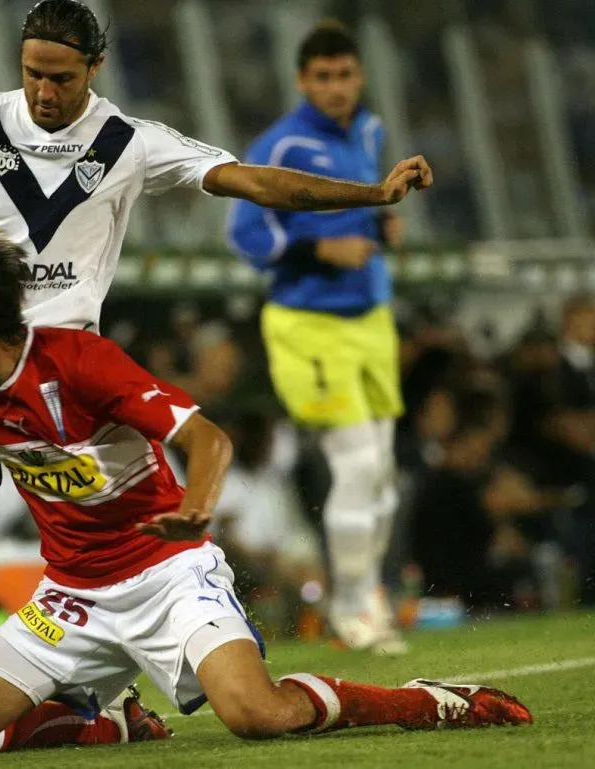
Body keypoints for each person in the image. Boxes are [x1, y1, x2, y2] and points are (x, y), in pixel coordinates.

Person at [0, 0, 433, 699]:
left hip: (74, 370)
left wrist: (371, 194)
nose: (43, 91)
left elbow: (252, 180)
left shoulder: (129, 140)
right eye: (33, 73)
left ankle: (115, 679)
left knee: (105, 518)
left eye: (62, 77)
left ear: (94, 67)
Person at [0, 231, 531, 753]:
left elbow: (207, 440)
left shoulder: (80, 361)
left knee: (255, 714)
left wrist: (198, 508)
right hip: (71, 595)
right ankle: (107, 716)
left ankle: (427, 701)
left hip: (168, 572)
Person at [226, 21, 409, 654]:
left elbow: (365, 208)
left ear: (360, 76)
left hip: (371, 316)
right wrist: (317, 246)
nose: (337, 87)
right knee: (356, 465)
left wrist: (384, 229)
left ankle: (368, 598)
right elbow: (247, 234)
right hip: (308, 323)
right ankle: (350, 606)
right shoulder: (279, 146)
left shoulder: (370, 129)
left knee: (381, 473)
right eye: (323, 77)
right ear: (304, 80)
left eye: (346, 74)